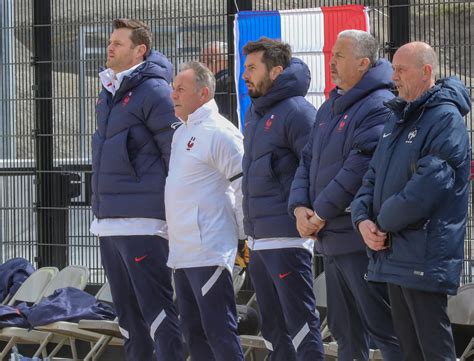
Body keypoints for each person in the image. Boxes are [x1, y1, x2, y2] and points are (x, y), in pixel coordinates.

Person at [351, 41, 471, 361]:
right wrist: (362, 220)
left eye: (401, 69)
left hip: (424, 254)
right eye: (393, 69)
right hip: (392, 251)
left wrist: (380, 222)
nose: (394, 77)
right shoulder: (397, 117)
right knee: (410, 350)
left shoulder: (446, 119)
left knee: (434, 350)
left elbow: (429, 187)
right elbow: (371, 177)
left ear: (426, 71)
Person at [288, 30, 401, 361]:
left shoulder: (379, 106)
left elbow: (358, 169)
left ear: (363, 63)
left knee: (384, 331)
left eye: (339, 55)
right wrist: (298, 209)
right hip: (329, 239)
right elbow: (307, 160)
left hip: (356, 240)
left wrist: (319, 213)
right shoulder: (330, 106)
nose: (331, 61)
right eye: (331, 54)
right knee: (344, 331)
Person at [90, 18, 183, 361]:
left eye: (118, 43)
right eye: (110, 41)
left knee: (158, 313)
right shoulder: (108, 93)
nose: (109, 47)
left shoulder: (155, 91)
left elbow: (175, 153)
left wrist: (173, 213)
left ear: (139, 50)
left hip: (144, 223)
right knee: (128, 319)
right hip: (109, 222)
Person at [241, 37, 324, 361]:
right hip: (260, 239)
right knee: (272, 329)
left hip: (288, 239)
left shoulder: (298, 112)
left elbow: (315, 169)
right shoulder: (254, 114)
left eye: (251, 68)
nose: (244, 74)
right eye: (244, 67)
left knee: (302, 326)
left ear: (275, 71)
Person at [166, 61, 245, 361]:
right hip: (182, 253)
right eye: (173, 88)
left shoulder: (221, 133)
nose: (173, 94)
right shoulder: (179, 134)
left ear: (203, 93)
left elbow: (243, 186)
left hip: (210, 251)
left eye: (181, 89)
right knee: (192, 332)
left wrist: (241, 238)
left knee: (219, 330)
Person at [201, 41, 238, 125]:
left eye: (210, 61)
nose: (204, 65)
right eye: (201, 61)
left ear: (226, 62)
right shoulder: (212, 81)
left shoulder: (227, 82)